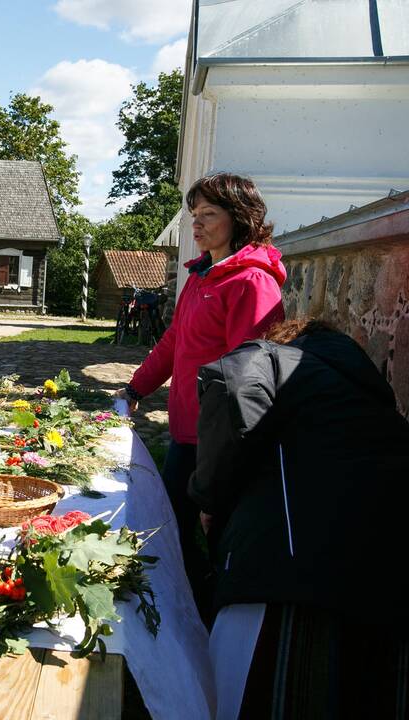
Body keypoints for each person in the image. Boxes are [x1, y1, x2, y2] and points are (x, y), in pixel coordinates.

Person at [192, 319, 409, 719]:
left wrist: (210, 500)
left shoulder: (279, 357)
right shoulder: (377, 412)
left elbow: (235, 380)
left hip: (293, 591)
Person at [115, 173, 286, 618]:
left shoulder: (251, 283)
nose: (197, 223)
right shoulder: (202, 275)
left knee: (220, 540)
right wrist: (137, 387)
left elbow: (248, 383)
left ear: (240, 218)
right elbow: (175, 341)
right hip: (187, 436)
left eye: (210, 214)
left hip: (223, 444)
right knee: (168, 528)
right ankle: (176, 615)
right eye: (194, 214)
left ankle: (218, 629)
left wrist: (221, 479)